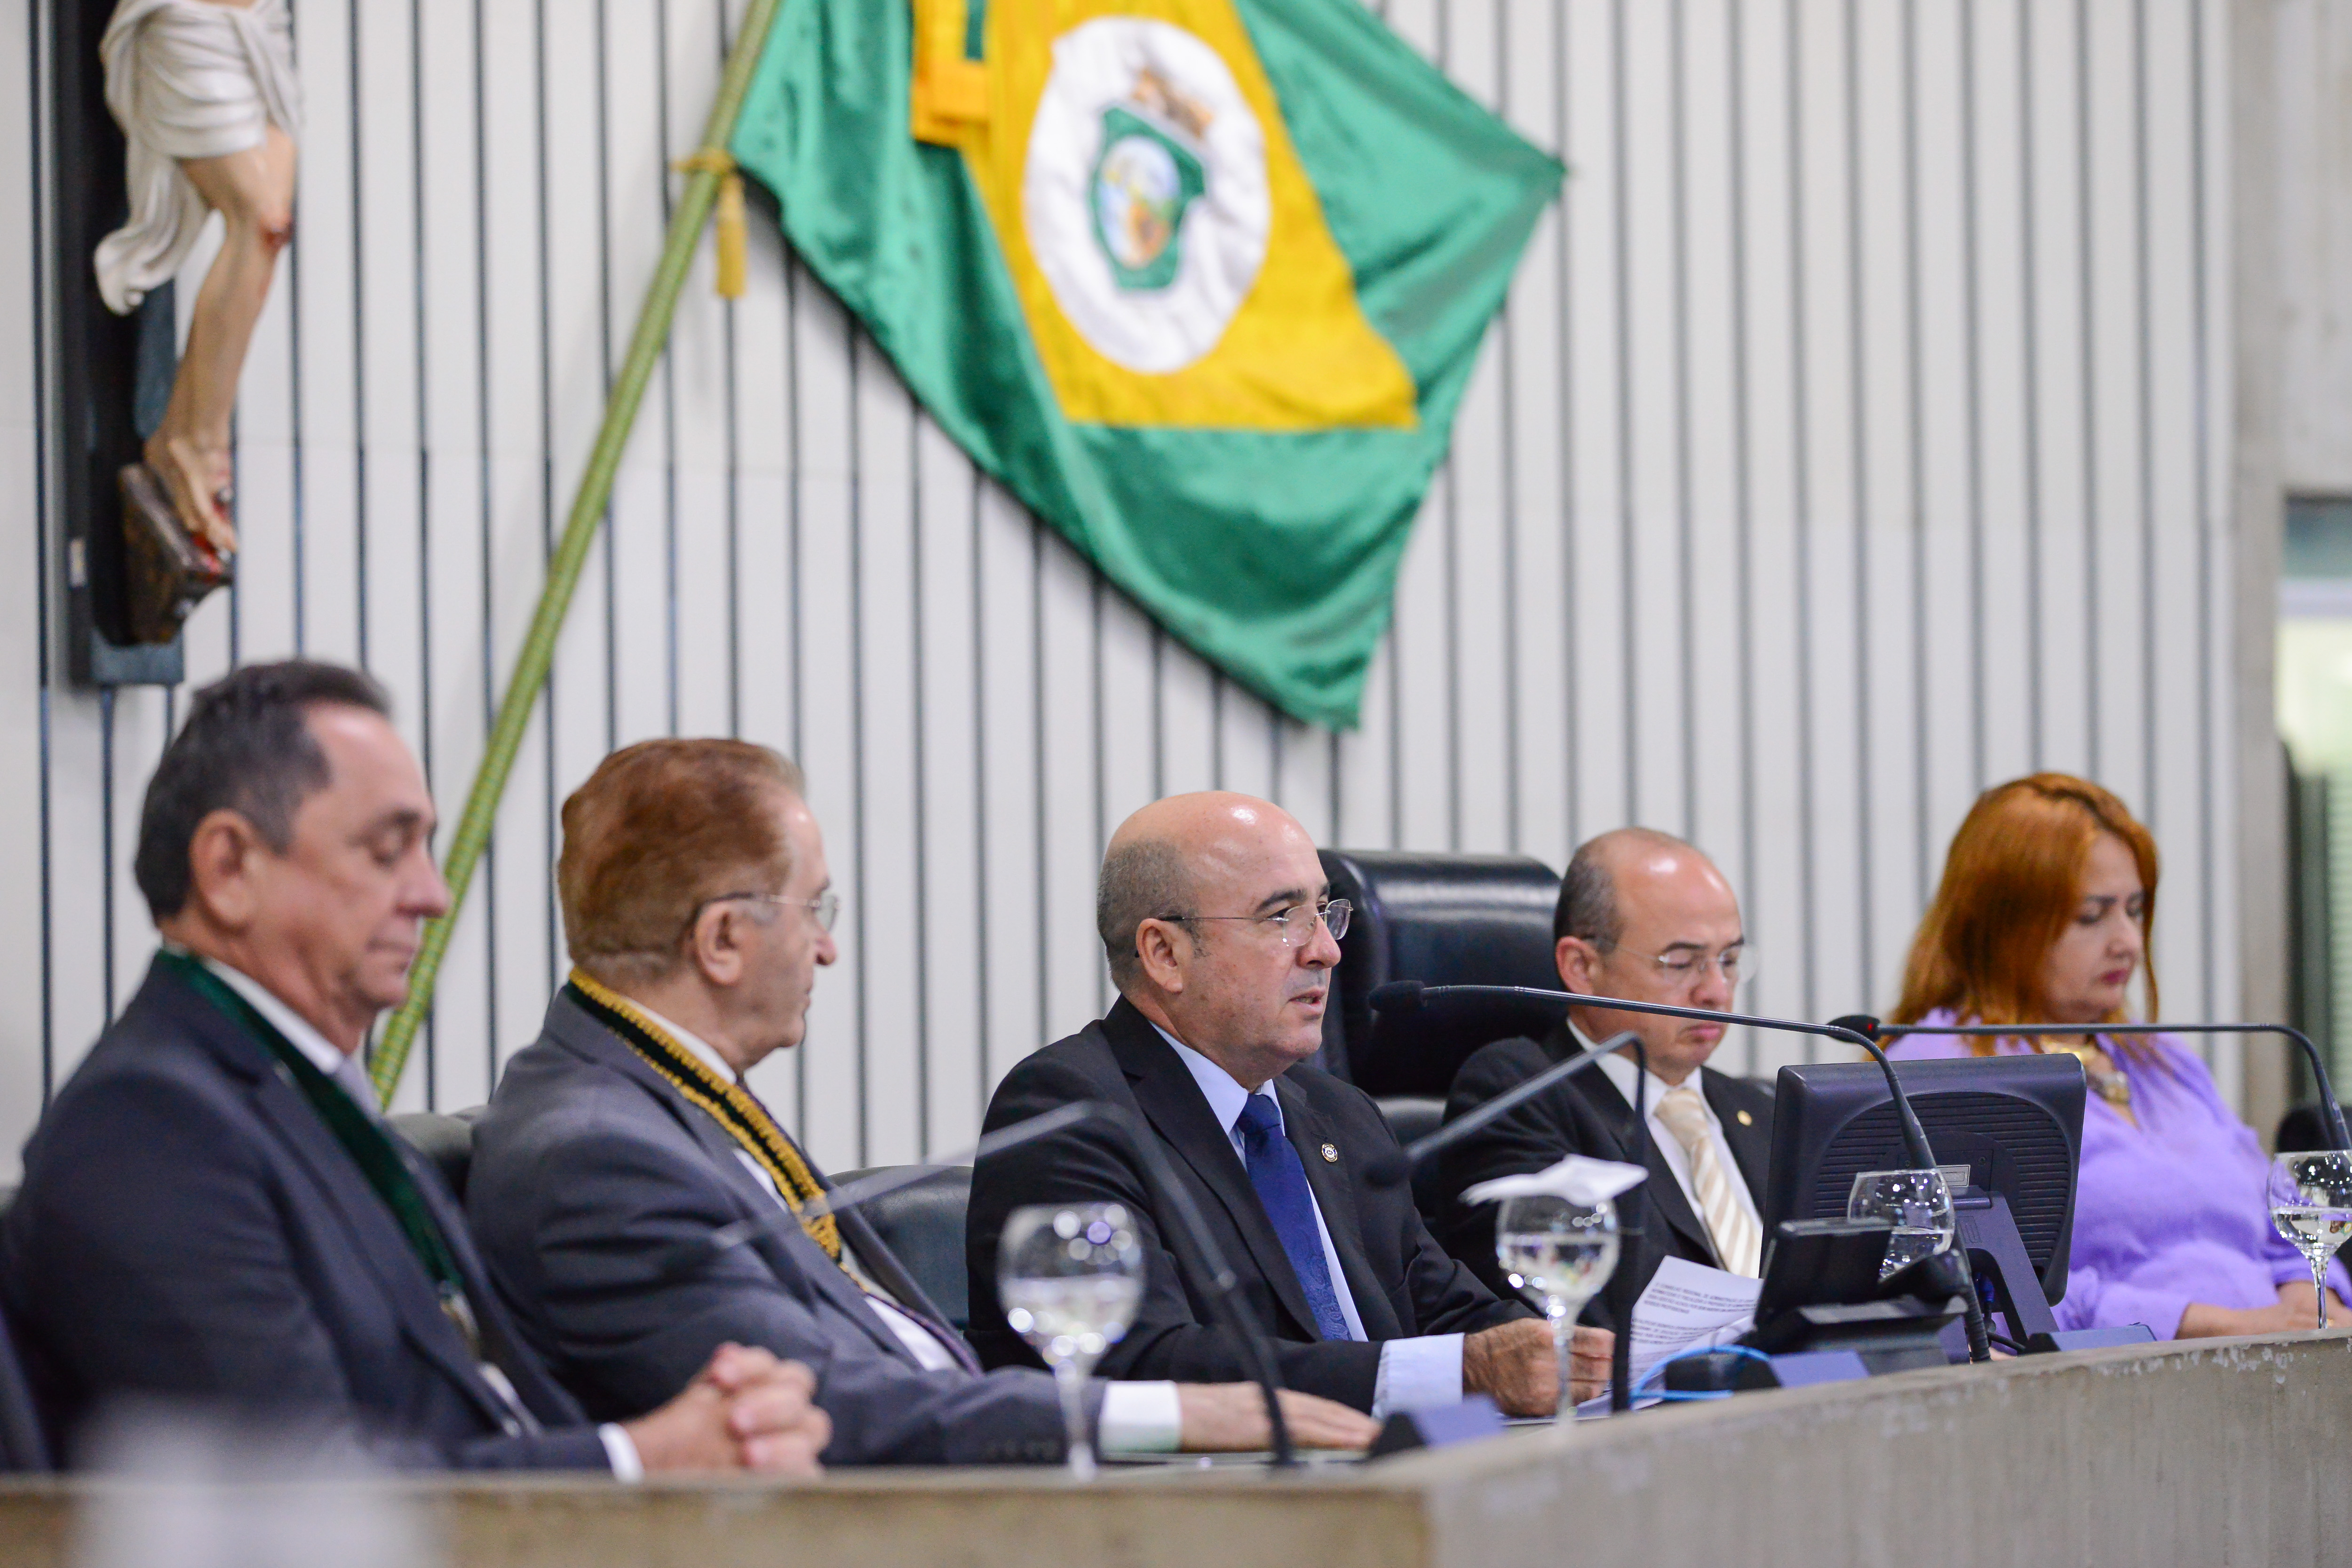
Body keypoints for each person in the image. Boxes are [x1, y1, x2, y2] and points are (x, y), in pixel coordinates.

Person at [0, 662, 829, 1474]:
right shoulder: (149, 1127)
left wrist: (720, 1426)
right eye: (386, 849)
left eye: (428, 848)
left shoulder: (298, 1091)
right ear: (229, 867)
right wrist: (639, 1459)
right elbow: (301, 1494)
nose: (432, 894)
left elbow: (492, 1401)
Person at [468, 742, 1376, 1465]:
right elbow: (824, 1407)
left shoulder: (669, 1095)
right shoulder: (598, 1151)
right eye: (813, 907)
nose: (826, 948)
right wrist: (1171, 1412)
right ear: (723, 938)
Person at [966, 792, 1609, 1417]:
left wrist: (1578, 1361)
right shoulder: (1070, 1110)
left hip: (1405, 1471)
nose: (1326, 950)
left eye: (1325, 912)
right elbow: (1139, 1364)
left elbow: (1445, 1310)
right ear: (1165, 954)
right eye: (1282, 917)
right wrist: (1461, 1372)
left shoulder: (1339, 1113)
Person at [1886, 772, 2352, 1340]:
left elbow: (2283, 1225)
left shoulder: (2161, 1061)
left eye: (2134, 911)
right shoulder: (1942, 1063)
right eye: (2091, 916)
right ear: (2001, 923)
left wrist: (2312, 1306)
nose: (2128, 942)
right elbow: (1980, 1286)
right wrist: (2219, 1325)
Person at [1431, 829, 1773, 1321]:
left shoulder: (1762, 1109)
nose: (1716, 992)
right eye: (1681, 963)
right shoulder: (1521, 1093)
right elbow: (1581, 1305)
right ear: (1581, 966)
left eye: (1729, 960)